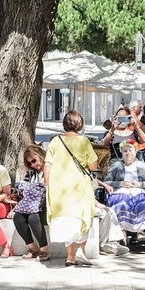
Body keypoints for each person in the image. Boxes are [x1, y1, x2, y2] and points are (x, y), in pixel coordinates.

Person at [47, 110, 100, 267]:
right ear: (80, 124)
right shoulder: (84, 141)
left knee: (66, 219)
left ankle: (70, 256)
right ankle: (80, 250)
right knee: (83, 217)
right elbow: (93, 165)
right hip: (79, 186)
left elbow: (47, 165)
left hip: (59, 187)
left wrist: (48, 185)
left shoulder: (55, 141)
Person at [104, 142, 145, 242]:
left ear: (136, 152)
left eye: (130, 150)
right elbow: (106, 182)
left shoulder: (141, 165)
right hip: (120, 191)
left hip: (138, 191)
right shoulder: (116, 165)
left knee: (143, 203)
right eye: (125, 151)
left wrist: (139, 184)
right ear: (121, 153)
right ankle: (122, 230)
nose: (128, 153)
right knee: (122, 203)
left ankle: (140, 231)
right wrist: (120, 184)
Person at [14, 144, 50, 260]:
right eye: (29, 163)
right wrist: (21, 190)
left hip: (46, 205)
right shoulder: (30, 174)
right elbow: (23, 192)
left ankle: (44, 250)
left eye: (34, 161)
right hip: (30, 205)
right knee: (18, 217)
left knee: (33, 218)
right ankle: (32, 248)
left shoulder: (50, 169)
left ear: (40, 155)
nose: (33, 165)